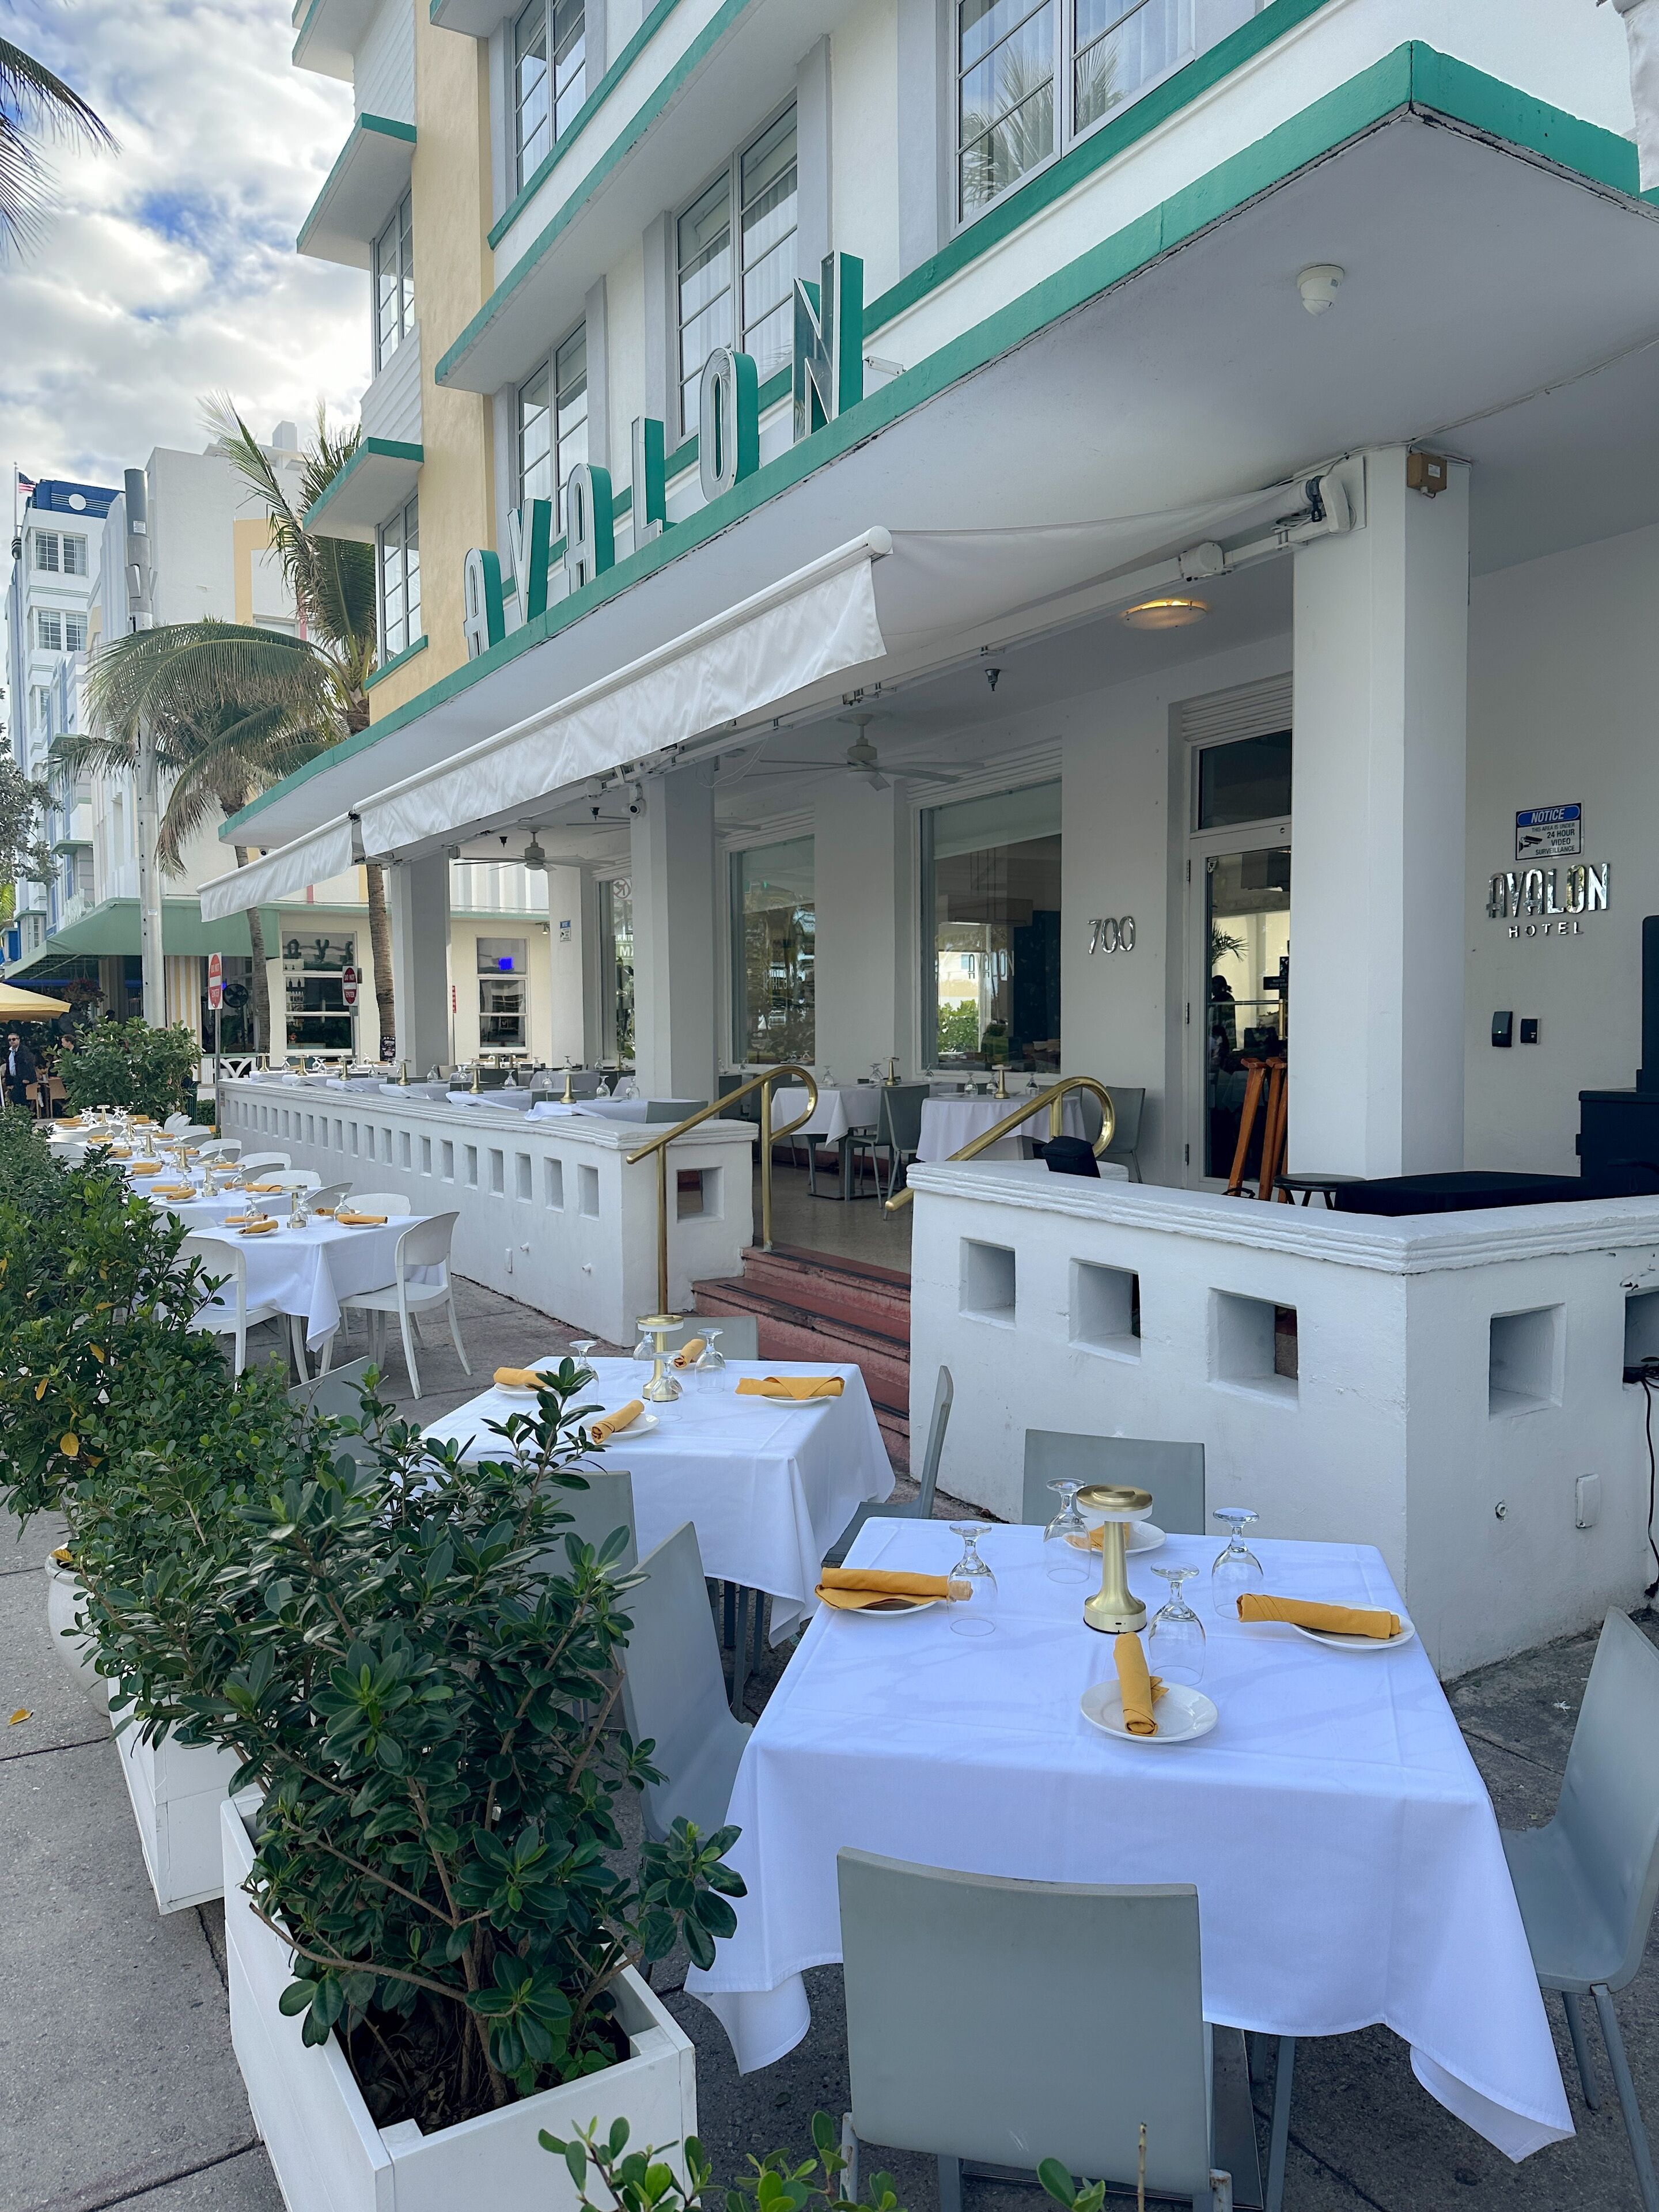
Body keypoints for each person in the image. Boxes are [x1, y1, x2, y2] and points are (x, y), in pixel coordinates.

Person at [4, 1032, 39, 1111]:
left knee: (22, 1099)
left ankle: (25, 1115)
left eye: (14, 1039)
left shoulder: (24, 1050)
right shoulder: (9, 1052)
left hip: (23, 1079)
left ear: (18, 1040)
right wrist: (8, 1081)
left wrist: (27, 1078)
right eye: (10, 1040)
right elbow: (9, 1067)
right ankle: (20, 1115)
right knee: (15, 1098)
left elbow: (29, 1065)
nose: (12, 1041)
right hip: (14, 1079)